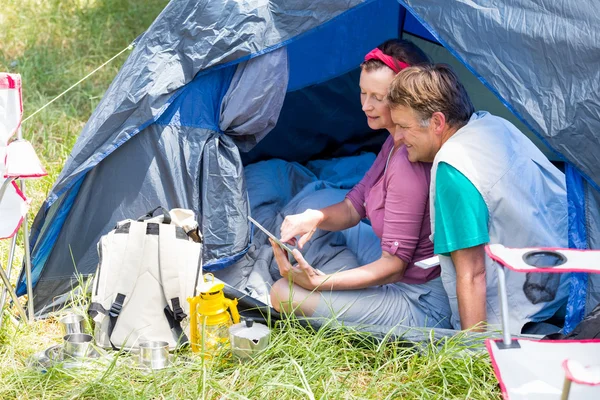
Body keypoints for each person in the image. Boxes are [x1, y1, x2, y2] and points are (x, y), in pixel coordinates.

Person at [268, 39, 452, 329]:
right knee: (315, 210)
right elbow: (355, 205)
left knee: (282, 294)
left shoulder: (410, 163)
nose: (366, 105)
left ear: (408, 97)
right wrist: (314, 218)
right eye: (363, 93)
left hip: (419, 299)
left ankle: (351, 291)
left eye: (378, 97)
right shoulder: (394, 141)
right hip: (391, 257)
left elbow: (394, 268)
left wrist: (322, 283)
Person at [385, 63, 570, 334]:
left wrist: (471, 356)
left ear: (437, 122)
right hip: (568, 282)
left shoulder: (453, 168)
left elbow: (472, 274)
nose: (397, 138)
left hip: (518, 314)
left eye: (403, 127)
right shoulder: (494, 124)